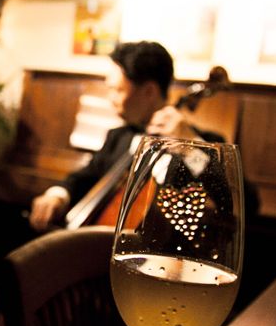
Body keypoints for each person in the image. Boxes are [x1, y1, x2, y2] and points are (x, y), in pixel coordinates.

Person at [29, 41, 225, 231]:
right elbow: (85, 177)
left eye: (118, 90)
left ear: (149, 91)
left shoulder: (204, 143)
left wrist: (190, 147)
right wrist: (57, 195)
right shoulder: (118, 137)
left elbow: (227, 198)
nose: (111, 98)